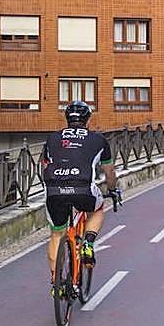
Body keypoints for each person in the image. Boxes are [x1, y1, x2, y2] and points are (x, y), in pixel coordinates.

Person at [41, 100, 120, 297]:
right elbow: (109, 171)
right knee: (98, 208)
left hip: (54, 190)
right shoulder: (98, 140)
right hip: (83, 188)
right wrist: (113, 190)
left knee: (56, 235)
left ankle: (56, 282)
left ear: (67, 118)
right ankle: (88, 244)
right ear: (88, 119)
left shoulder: (52, 138)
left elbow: (44, 166)